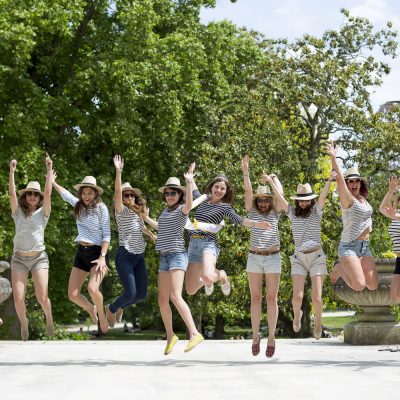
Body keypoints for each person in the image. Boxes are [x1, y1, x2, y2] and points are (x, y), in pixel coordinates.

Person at [269, 171, 336, 340]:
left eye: (306, 199)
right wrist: (271, 182)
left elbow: (323, 196)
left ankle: (318, 322)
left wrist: (329, 180)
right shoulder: (292, 212)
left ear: (311, 200)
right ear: (297, 200)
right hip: (299, 258)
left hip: (317, 258)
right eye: (301, 199)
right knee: (297, 297)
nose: (304, 202)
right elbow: (281, 199)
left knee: (317, 297)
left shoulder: (316, 212)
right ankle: (297, 314)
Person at [144, 165, 204, 354]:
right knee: (162, 299)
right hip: (164, 257)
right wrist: (146, 218)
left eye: (173, 193)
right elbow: (161, 228)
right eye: (168, 193)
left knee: (175, 296)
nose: (170, 196)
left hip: (177, 256)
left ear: (179, 195)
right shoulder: (165, 212)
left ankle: (195, 333)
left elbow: (189, 205)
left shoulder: (181, 211)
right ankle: (171, 336)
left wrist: (188, 180)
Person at [185, 168, 271, 298]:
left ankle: (222, 275)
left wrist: (258, 224)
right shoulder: (202, 199)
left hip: (208, 244)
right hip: (193, 244)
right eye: (216, 187)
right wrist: (190, 179)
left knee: (208, 276)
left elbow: (239, 220)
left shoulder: (224, 207)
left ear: (226, 192)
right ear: (211, 187)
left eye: (222, 188)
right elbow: (195, 191)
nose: (219, 190)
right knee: (190, 290)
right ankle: (209, 281)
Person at [52, 174, 111, 333]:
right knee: (72, 294)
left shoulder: (101, 208)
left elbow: (107, 235)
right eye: (84, 193)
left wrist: (102, 257)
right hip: (81, 252)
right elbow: (65, 195)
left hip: (98, 253)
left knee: (92, 289)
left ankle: (101, 315)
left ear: (95, 193)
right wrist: (53, 182)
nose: (86, 196)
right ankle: (91, 308)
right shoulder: (78, 205)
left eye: (90, 193)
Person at [105, 155, 156, 326]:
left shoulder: (138, 213)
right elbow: (118, 192)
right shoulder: (121, 211)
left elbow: (142, 228)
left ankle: (120, 307)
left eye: (132, 195)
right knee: (130, 293)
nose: (130, 198)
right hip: (125, 256)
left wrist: (153, 236)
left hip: (138, 256)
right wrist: (118, 171)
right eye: (126, 195)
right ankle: (111, 308)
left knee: (141, 294)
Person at [241, 155, 284, 358]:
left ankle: (272, 336)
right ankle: (256, 335)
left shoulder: (276, 212)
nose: (264, 203)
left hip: (273, 256)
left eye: (267, 200)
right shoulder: (251, 212)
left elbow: (282, 198)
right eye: (261, 200)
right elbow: (248, 191)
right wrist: (246, 173)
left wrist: (273, 181)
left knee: (272, 297)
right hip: (254, 257)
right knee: (255, 298)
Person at [9, 154, 54, 340]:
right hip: (19, 259)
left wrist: (49, 169)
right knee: (18, 298)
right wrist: (11, 171)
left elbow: (49, 192)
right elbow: (11, 194)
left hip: (38, 259)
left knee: (42, 296)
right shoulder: (17, 213)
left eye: (36, 193)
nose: (33, 196)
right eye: (29, 193)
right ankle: (24, 324)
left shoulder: (43, 213)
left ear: (39, 197)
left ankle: (49, 319)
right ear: (25, 197)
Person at [326, 142, 378, 291]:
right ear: (347, 184)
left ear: (360, 183)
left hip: (364, 247)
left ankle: (349, 266)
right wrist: (333, 159)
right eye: (350, 181)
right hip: (349, 246)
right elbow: (340, 181)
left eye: (356, 180)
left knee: (373, 285)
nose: (354, 183)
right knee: (359, 285)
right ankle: (338, 268)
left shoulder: (363, 200)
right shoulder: (348, 200)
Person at [379, 176, 400, 303]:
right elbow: (381, 209)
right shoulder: (395, 212)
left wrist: (395, 216)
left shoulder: (395, 214)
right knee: (395, 295)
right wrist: (390, 192)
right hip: (399, 259)